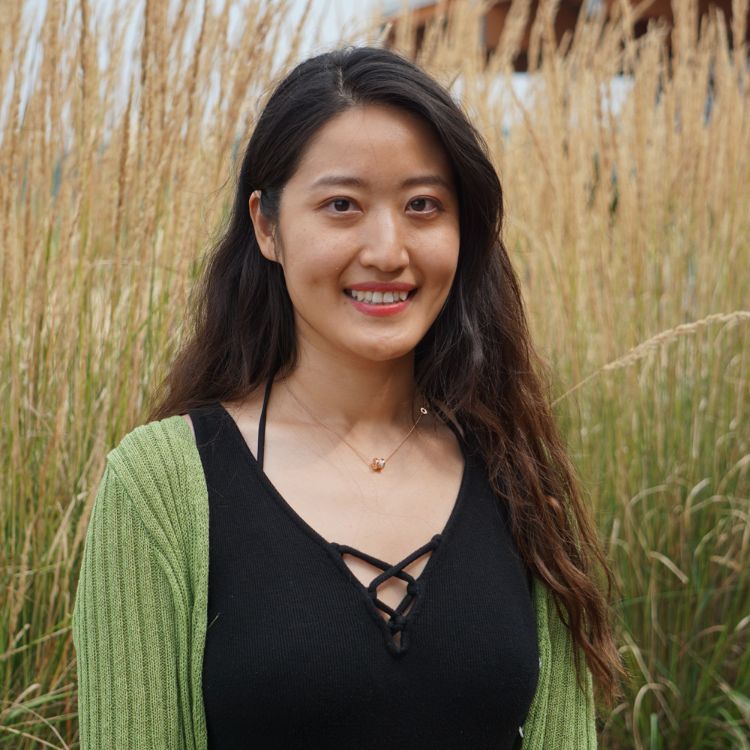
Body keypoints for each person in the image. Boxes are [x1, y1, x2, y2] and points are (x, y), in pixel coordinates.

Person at [72, 46, 623, 749]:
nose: (388, 249)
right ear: (267, 227)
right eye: (342, 205)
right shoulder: (160, 489)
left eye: (424, 205)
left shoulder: (515, 471)